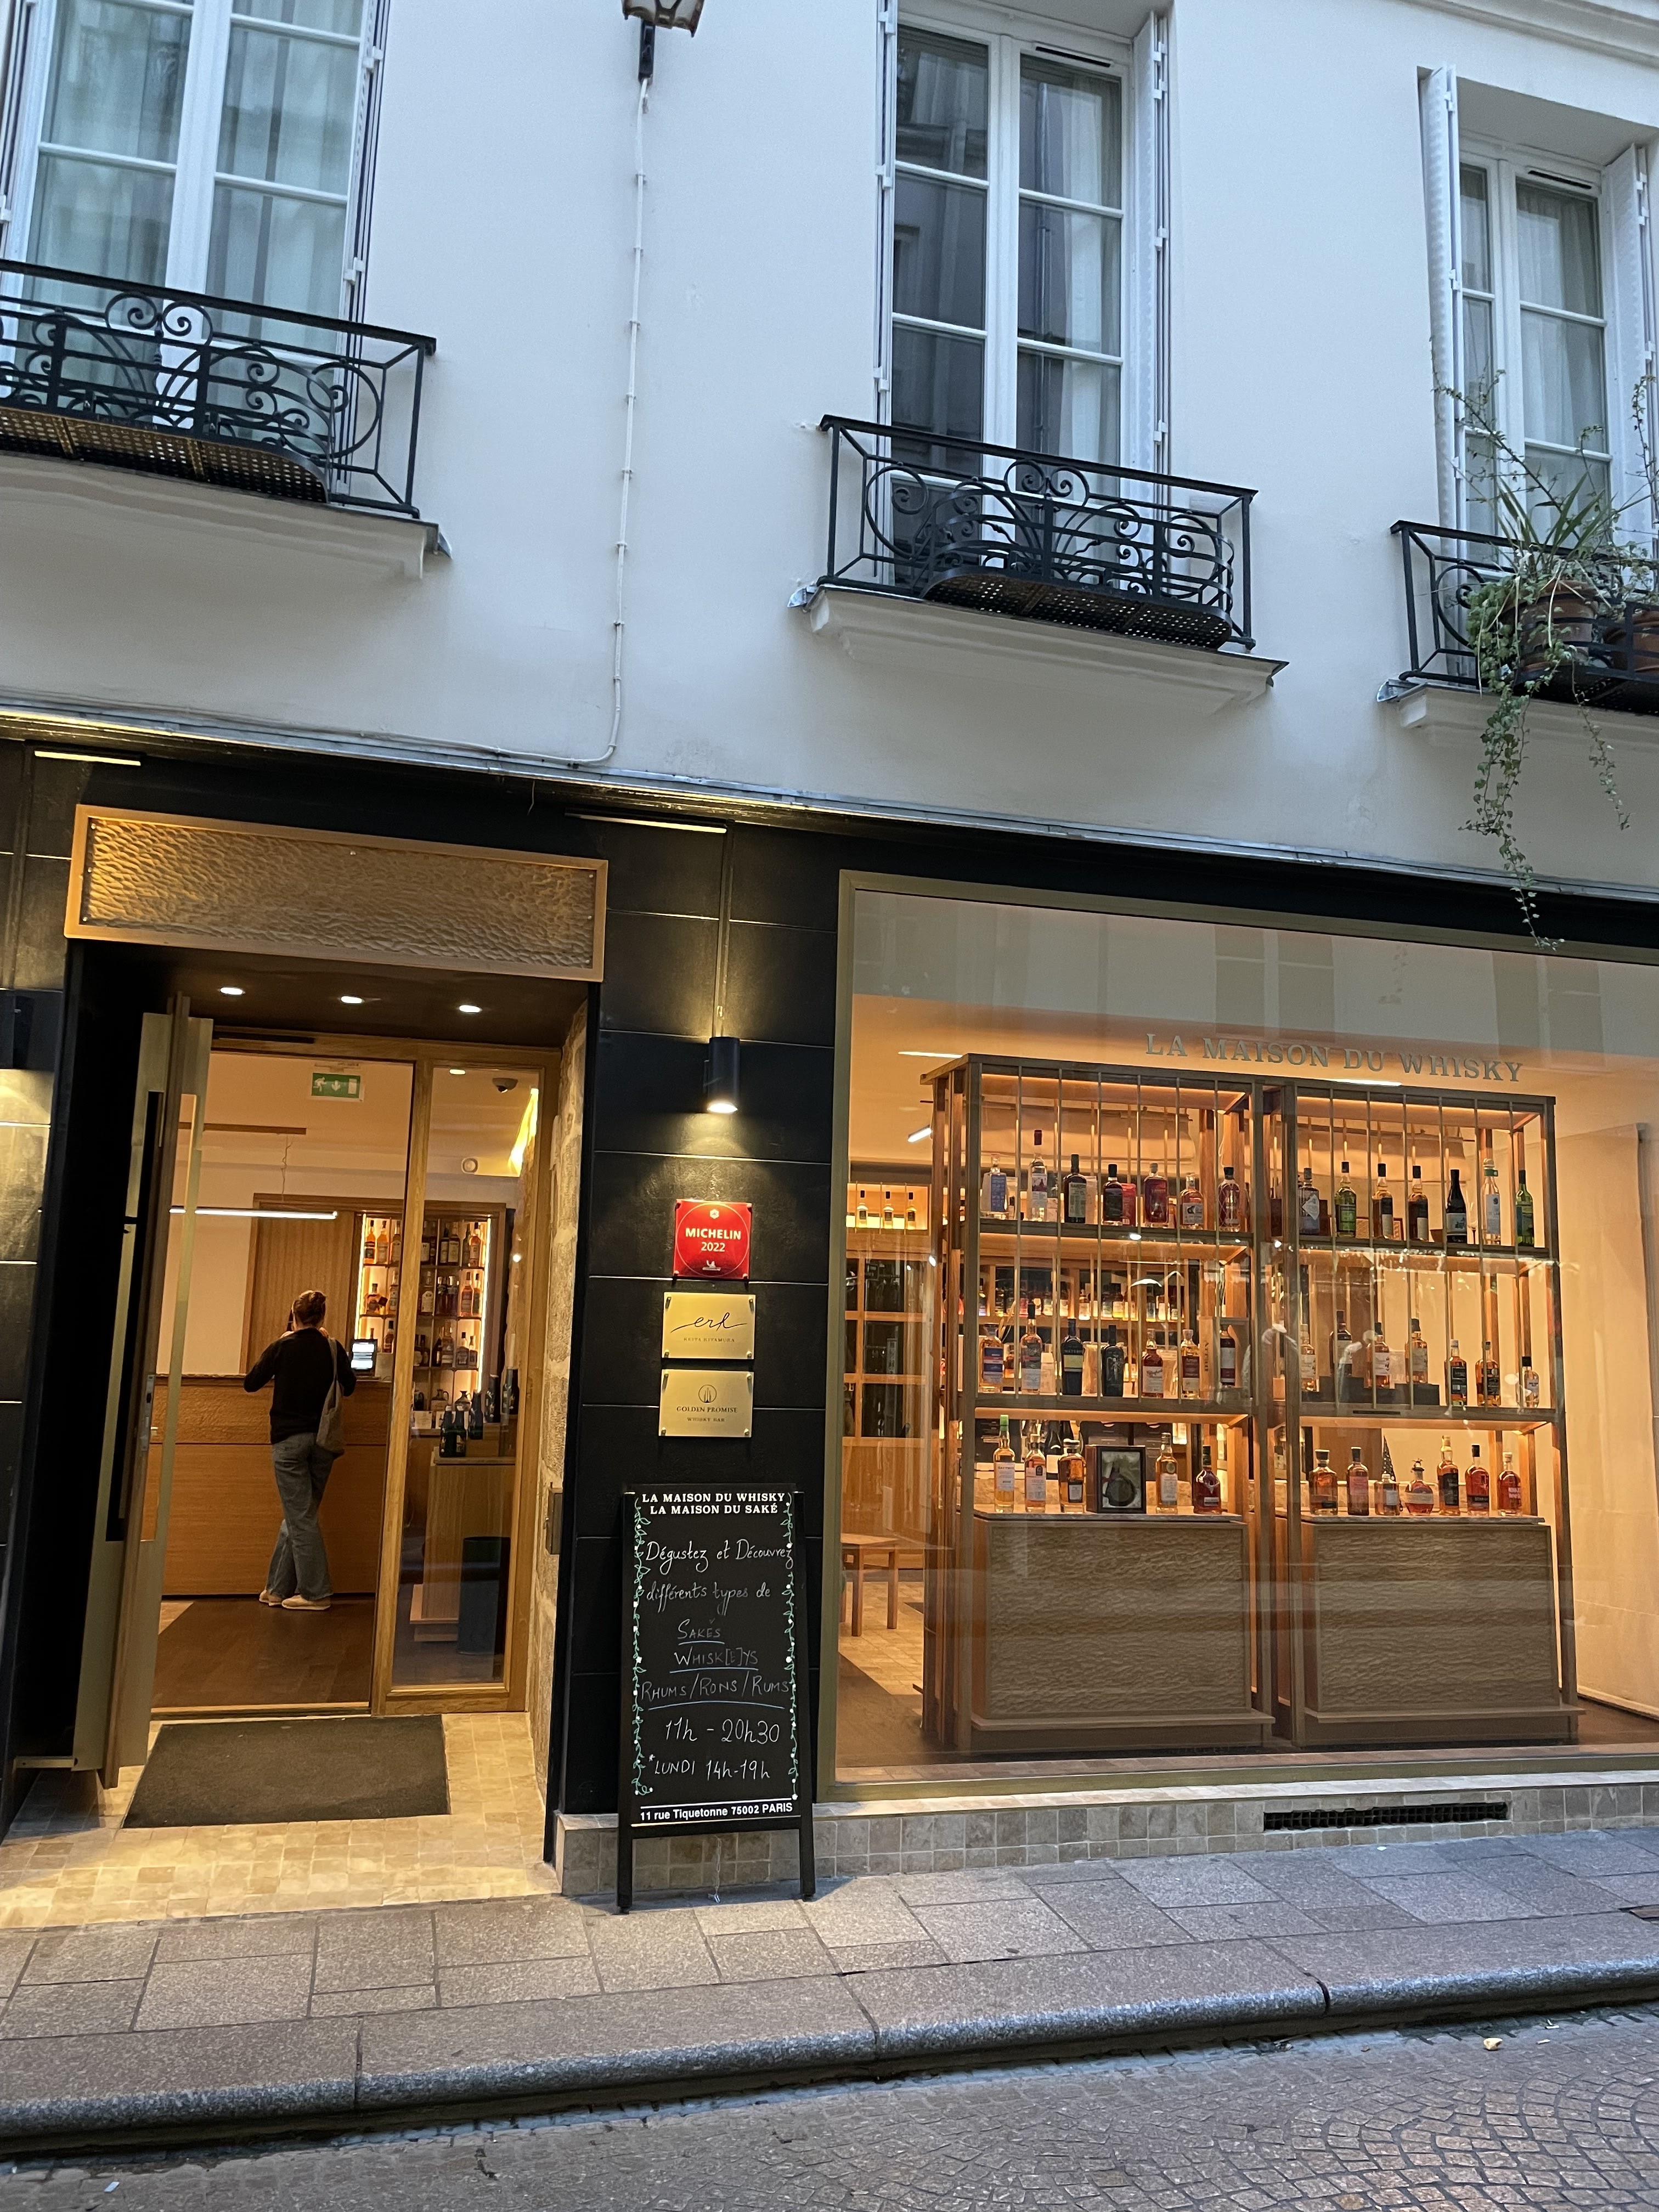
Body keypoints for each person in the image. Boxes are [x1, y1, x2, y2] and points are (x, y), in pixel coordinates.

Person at [243, 1288, 355, 1612]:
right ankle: (278, 1588)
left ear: (294, 1316)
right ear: (321, 1318)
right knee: (300, 1514)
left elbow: (251, 1383)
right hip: (323, 1441)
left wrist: (280, 1342)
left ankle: (316, 1593)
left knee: (300, 1516)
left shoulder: (283, 1347)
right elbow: (349, 1387)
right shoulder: (333, 1348)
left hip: (289, 1442)